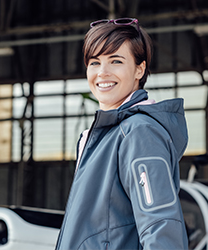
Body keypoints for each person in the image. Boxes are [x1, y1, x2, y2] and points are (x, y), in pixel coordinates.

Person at [55, 17, 189, 250]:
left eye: (116, 61)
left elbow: (161, 226)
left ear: (140, 69)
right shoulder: (100, 136)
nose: (102, 73)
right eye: (95, 63)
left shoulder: (139, 133)